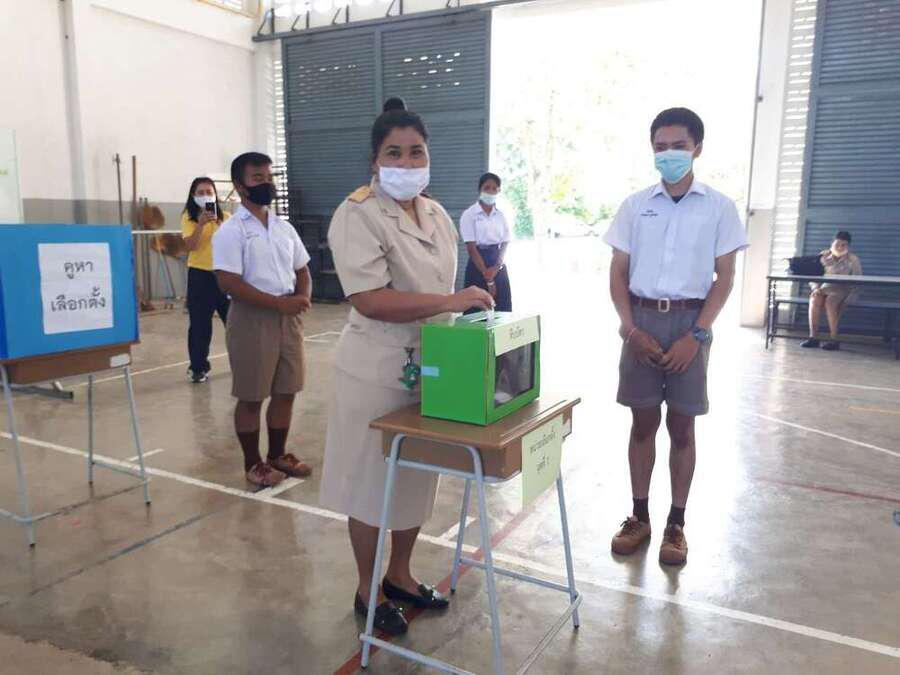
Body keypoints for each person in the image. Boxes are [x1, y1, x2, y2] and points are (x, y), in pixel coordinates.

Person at [319, 106, 494, 635]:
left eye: (416, 151)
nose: (406, 161)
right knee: (371, 485)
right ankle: (367, 590)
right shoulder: (357, 213)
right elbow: (369, 298)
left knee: (417, 480)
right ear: (375, 160)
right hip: (374, 370)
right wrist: (450, 301)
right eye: (393, 152)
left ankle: (400, 574)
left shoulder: (437, 214)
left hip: (432, 366)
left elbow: (443, 293)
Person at [603, 107, 748, 566]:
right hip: (641, 323)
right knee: (642, 423)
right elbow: (618, 272)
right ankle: (639, 516)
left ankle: (676, 525)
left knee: (682, 426)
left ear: (697, 148)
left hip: (690, 325)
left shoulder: (719, 207)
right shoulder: (635, 206)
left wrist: (697, 334)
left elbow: (725, 278)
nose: (669, 154)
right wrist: (630, 328)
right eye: (661, 147)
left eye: (679, 146)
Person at [212, 152, 314, 488]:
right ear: (240, 186)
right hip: (252, 318)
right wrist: (277, 304)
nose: (266, 183)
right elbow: (228, 282)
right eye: (258, 178)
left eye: (269, 177)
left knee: (287, 390)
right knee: (252, 396)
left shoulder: (284, 228)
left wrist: (302, 297)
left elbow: (302, 269)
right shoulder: (231, 231)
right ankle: (253, 463)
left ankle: (277, 455)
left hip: (288, 319)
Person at [181, 177, 231, 383]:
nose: (205, 196)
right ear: (193, 196)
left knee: (235, 322)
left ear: (215, 194)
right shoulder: (189, 218)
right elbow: (190, 246)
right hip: (200, 275)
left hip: (225, 275)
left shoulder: (226, 217)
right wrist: (201, 224)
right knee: (200, 325)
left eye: (209, 192)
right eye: (200, 193)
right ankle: (198, 367)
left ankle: (244, 360)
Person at [460, 172, 513, 312]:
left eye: (494, 188)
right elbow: (471, 248)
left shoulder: (501, 216)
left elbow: (505, 242)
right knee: (476, 308)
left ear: (499, 191)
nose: (490, 191)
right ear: (480, 190)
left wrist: (497, 266)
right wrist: (488, 276)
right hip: (478, 263)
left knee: (502, 308)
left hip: (497, 263)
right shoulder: (469, 214)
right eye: (487, 188)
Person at [801, 231, 862, 351]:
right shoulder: (823, 256)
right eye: (837, 244)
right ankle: (813, 337)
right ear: (832, 244)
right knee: (814, 298)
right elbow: (813, 275)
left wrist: (850, 299)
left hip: (842, 289)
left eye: (843, 245)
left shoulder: (853, 259)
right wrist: (815, 288)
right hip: (825, 287)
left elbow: (858, 281)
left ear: (848, 246)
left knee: (830, 302)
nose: (840, 247)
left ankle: (834, 340)